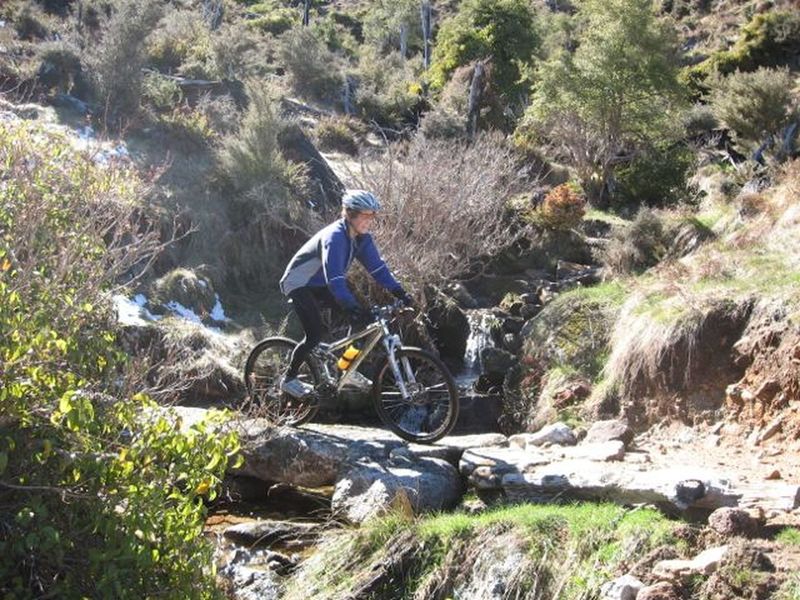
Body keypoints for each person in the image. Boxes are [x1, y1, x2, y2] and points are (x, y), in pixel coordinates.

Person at [278, 190, 413, 398]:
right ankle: (289, 378)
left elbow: (378, 269)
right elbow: (336, 279)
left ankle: (344, 368)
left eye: (373, 216)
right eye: (366, 216)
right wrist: (351, 307)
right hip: (299, 283)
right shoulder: (336, 237)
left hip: (321, 283)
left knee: (362, 323)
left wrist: (400, 292)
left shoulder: (362, 239)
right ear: (350, 214)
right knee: (314, 335)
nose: (370, 221)